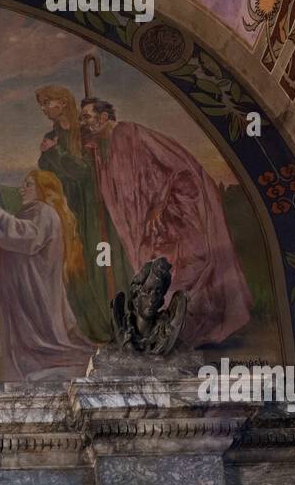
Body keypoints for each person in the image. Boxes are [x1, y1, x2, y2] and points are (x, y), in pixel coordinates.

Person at [78, 96, 252, 346]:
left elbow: (180, 166)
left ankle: (185, 329)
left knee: (183, 269)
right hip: (145, 231)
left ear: (104, 117)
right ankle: (169, 331)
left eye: (86, 117)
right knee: (156, 277)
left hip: (174, 218)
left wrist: (160, 205)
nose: (82, 123)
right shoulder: (101, 149)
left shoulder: (132, 133)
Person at [0, 168, 93, 382]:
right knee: (26, 357)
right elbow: (0, 256)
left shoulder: (45, 212)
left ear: (43, 189)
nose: (22, 188)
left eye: (28, 184)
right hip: (23, 302)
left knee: (47, 350)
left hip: (37, 299)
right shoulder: (29, 215)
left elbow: (26, 238)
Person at [35, 85, 129, 340]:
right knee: (74, 265)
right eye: (41, 104)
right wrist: (48, 155)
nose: (44, 108)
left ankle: (112, 323)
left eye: (47, 102)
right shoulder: (51, 135)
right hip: (68, 207)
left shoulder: (86, 133)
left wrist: (53, 152)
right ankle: (88, 327)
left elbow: (86, 170)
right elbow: (47, 172)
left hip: (94, 208)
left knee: (99, 265)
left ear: (63, 103)